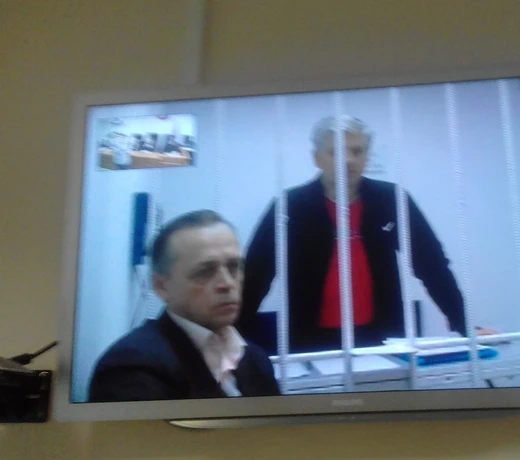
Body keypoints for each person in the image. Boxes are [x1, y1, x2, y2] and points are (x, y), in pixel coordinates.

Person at [238, 115, 493, 354]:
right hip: (310, 341)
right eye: (336, 152)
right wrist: (231, 335)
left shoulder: (391, 200)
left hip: (384, 338)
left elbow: (432, 265)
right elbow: (256, 275)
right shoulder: (289, 207)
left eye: (357, 151)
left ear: (367, 156)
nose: (348, 160)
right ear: (317, 158)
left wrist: (464, 325)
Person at [89, 210, 281, 402]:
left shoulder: (255, 359)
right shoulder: (131, 367)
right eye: (205, 271)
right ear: (162, 286)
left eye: (234, 267)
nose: (227, 283)